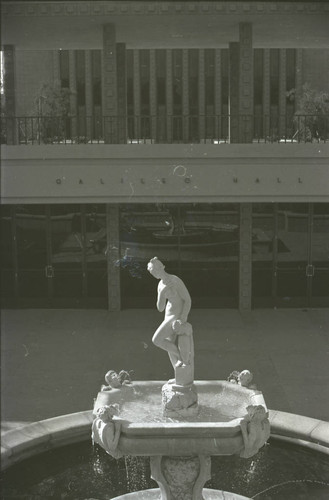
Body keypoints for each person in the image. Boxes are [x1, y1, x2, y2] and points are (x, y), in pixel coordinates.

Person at [147, 257, 191, 369]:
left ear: (161, 267)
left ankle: (181, 357)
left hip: (175, 317)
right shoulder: (160, 285)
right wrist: (162, 293)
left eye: (154, 270)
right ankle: (178, 375)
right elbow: (160, 308)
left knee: (156, 340)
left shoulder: (175, 280)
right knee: (168, 345)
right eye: (152, 272)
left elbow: (187, 300)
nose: (153, 274)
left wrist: (183, 317)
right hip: (167, 316)